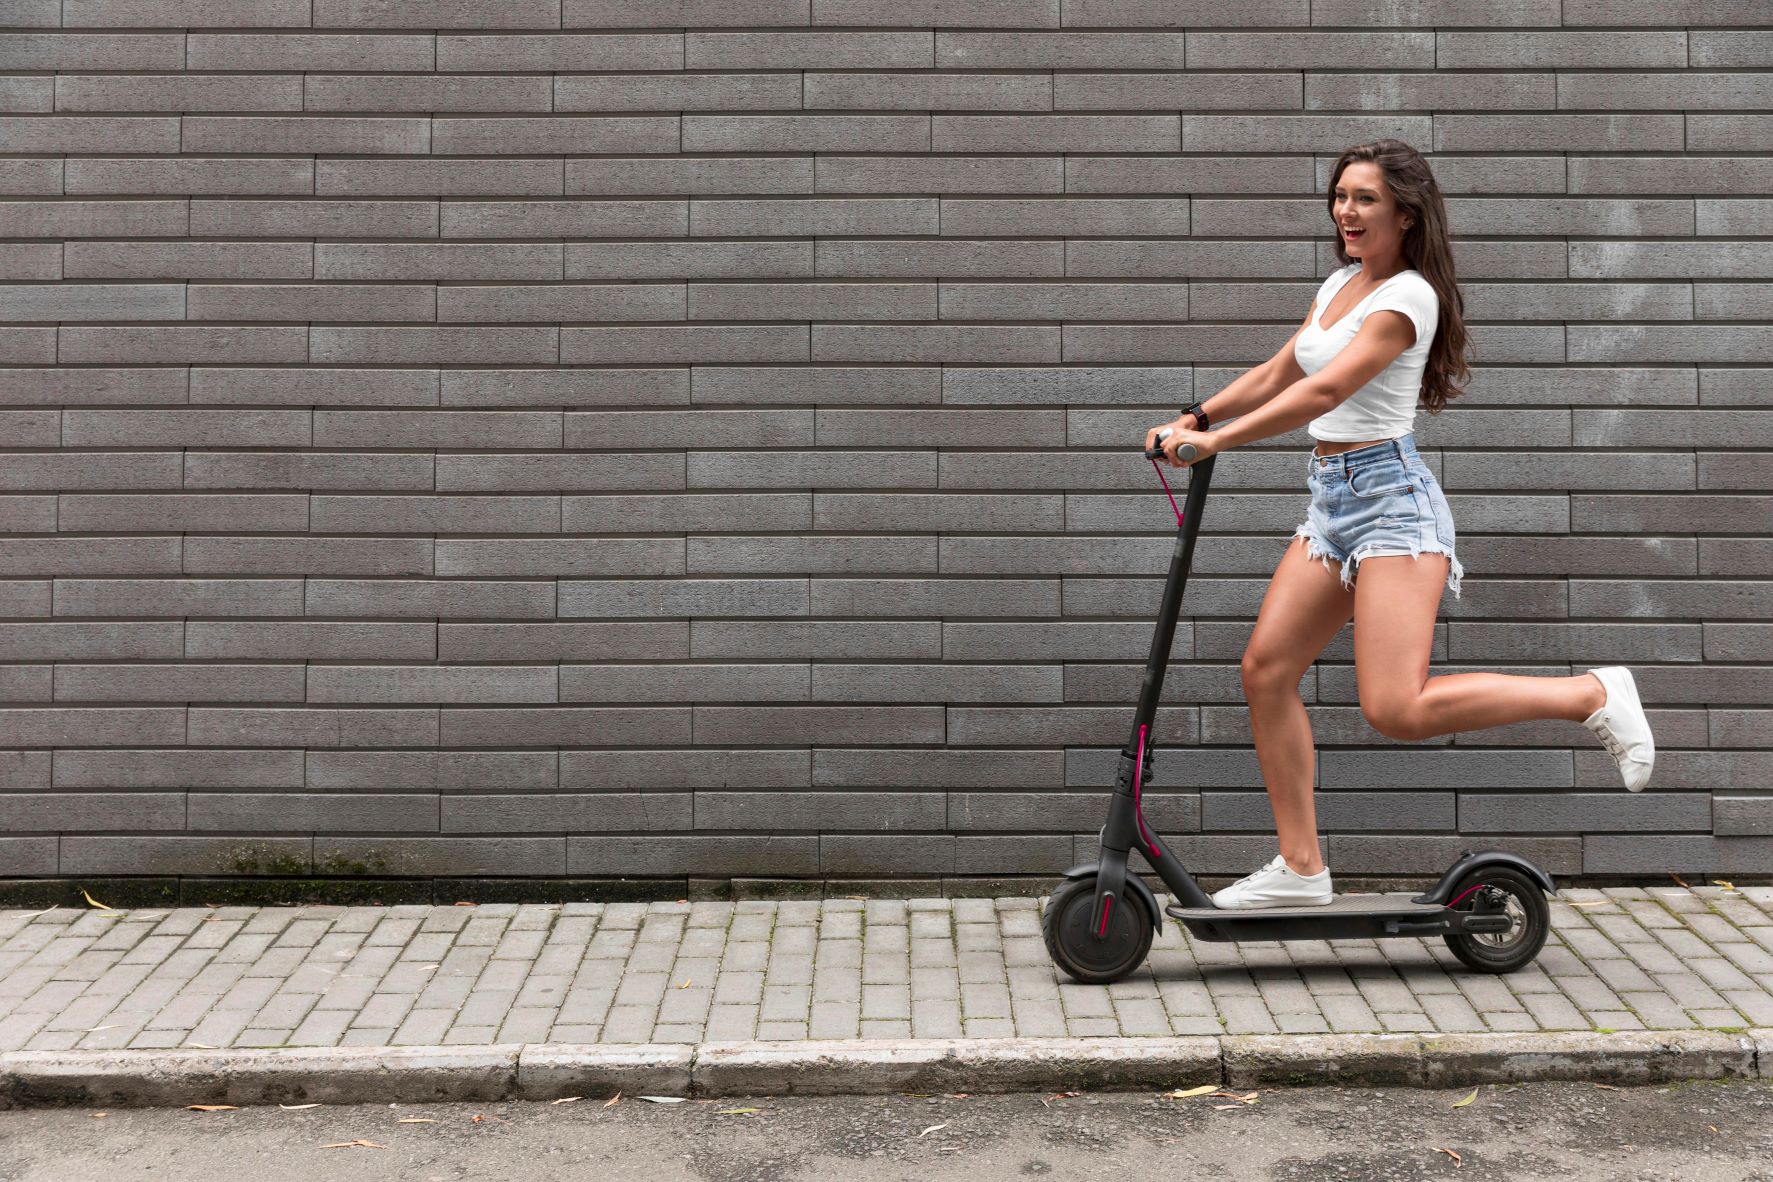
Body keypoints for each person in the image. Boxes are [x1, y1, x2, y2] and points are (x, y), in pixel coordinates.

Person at [1143, 139, 1655, 911]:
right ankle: (1300, 867)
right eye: (1340, 196)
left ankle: (1587, 693)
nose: (1345, 210)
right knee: (1265, 671)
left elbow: (1328, 391)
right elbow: (1284, 370)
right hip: (1333, 501)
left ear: (1405, 215)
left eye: (1364, 199)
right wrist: (1197, 414)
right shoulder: (1341, 282)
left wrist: (1216, 444)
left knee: (1395, 708)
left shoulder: (1409, 297)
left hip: (1392, 505)